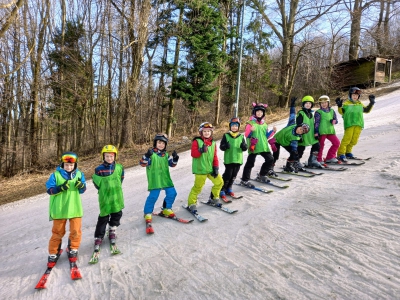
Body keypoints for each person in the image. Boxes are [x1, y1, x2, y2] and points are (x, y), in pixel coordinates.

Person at [45, 151, 86, 266]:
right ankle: (53, 252)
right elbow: (49, 190)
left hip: (75, 208)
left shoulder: (79, 174)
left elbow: (83, 190)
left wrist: (81, 186)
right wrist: (60, 188)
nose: (69, 167)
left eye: (71, 165)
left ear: (75, 165)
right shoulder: (55, 175)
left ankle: (73, 248)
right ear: (62, 164)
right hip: (60, 209)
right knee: (57, 232)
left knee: (76, 230)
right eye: (67, 165)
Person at [140, 133, 179, 224]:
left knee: (172, 193)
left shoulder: (165, 155)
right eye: (159, 143)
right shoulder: (151, 155)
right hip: (155, 180)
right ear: (155, 143)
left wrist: (175, 158)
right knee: (153, 197)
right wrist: (146, 156)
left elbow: (172, 164)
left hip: (165, 179)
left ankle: (166, 208)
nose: (161, 145)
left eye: (163, 143)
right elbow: (142, 163)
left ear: (165, 145)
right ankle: (147, 213)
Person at [92, 145, 125, 251]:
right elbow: (97, 184)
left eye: (111, 156)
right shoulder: (99, 170)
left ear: (115, 156)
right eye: (107, 156)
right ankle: (99, 236)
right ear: (103, 156)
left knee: (117, 213)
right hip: (105, 198)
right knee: (103, 217)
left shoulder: (119, 167)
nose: (109, 158)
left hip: (116, 196)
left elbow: (121, 179)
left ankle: (112, 229)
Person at [187, 122, 223, 213]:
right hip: (200, 170)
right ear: (201, 132)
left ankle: (214, 198)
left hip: (210, 169)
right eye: (205, 131)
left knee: (219, 182)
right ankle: (191, 203)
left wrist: (216, 167)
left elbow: (214, 156)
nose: (207, 133)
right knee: (198, 187)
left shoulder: (213, 143)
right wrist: (200, 150)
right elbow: (193, 154)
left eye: (208, 131)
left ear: (211, 132)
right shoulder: (197, 141)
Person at [335, 87, 375, 162]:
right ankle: (341, 154)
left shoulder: (360, 104)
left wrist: (371, 103)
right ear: (350, 95)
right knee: (347, 139)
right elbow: (341, 112)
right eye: (353, 95)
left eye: (356, 95)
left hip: (358, 125)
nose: (355, 97)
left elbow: (366, 110)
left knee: (354, 140)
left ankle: (348, 152)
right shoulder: (347, 104)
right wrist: (339, 106)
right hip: (349, 124)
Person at [240, 103, 275, 187]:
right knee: (250, 163)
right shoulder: (250, 123)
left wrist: (273, 131)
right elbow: (246, 135)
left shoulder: (264, 124)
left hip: (263, 146)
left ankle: (262, 175)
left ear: (263, 113)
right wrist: (251, 130)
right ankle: (244, 180)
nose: (259, 113)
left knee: (270, 159)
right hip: (254, 146)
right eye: (257, 111)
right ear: (254, 112)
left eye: (261, 112)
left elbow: (266, 136)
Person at [272, 97, 311, 172]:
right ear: (298, 126)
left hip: (285, 142)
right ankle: (269, 168)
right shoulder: (292, 124)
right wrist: (292, 105)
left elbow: (294, 147)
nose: (300, 131)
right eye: (300, 129)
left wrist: (295, 154)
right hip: (276, 140)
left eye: (302, 131)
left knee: (294, 153)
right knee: (275, 156)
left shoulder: (295, 138)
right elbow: (292, 114)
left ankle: (289, 166)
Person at [219, 117, 247, 201]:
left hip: (238, 159)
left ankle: (229, 188)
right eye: (232, 125)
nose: (234, 127)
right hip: (229, 159)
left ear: (238, 127)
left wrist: (244, 147)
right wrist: (225, 146)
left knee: (234, 175)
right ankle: (222, 189)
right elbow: (221, 147)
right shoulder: (226, 135)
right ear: (230, 126)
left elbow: (245, 147)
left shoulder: (241, 136)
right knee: (228, 175)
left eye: (236, 126)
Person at [296, 95, 323, 168]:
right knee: (301, 148)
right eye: (306, 103)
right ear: (303, 104)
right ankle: (296, 161)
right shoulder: (301, 113)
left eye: (310, 103)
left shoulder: (311, 113)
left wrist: (316, 133)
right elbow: (298, 124)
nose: (308, 105)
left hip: (311, 134)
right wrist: (299, 135)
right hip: (303, 134)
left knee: (317, 145)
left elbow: (312, 124)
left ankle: (312, 160)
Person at [314, 95, 340, 164]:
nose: (324, 104)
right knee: (321, 145)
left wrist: (334, 121)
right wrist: (316, 132)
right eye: (322, 103)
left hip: (330, 131)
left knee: (336, 143)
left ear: (328, 103)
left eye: (325, 102)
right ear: (320, 104)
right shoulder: (318, 112)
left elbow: (336, 120)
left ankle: (330, 157)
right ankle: (319, 159)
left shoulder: (332, 111)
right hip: (322, 131)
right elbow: (316, 122)